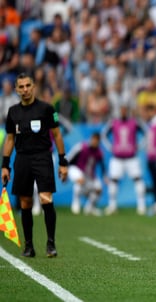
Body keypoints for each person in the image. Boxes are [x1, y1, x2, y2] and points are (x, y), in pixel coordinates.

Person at [1, 73, 69, 258]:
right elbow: (9, 139)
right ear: (16, 89)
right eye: (21, 87)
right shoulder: (13, 112)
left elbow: (57, 135)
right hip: (22, 158)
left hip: (42, 157)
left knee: (46, 198)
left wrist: (63, 162)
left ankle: (51, 243)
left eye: (28, 85)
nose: (25, 90)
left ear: (34, 87)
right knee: (25, 202)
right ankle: (29, 246)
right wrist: (5, 165)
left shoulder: (47, 109)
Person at [101, 103, 147, 215]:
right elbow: (104, 135)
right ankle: (112, 205)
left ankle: (141, 206)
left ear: (128, 111)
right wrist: (111, 147)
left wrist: (139, 146)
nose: (123, 112)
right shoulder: (114, 123)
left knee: (138, 180)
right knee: (114, 181)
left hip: (132, 157)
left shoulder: (134, 122)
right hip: (117, 158)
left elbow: (146, 133)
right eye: (121, 110)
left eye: (125, 110)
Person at [67, 132, 105, 216]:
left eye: (97, 140)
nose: (94, 142)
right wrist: (64, 169)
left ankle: (90, 207)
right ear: (91, 138)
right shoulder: (82, 147)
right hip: (76, 169)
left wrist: (104, 175)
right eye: (94, 139)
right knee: (80, 180)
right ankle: (75, 203)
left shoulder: (99, 152)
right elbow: (69, 158)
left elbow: (102, 165)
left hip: (90, 175)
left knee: (99, 189)